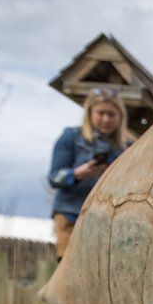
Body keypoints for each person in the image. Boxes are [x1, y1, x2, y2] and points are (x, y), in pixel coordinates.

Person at [48, 88, 131, 260]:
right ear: (90, 113)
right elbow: (54, 177)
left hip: (107, 220)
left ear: (120, 116)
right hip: (70, 216)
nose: (106, 119)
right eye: (101, 113)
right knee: (69, 271)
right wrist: (78, 173)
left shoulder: (126, 147)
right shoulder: (71, 137)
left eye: (111, 114)